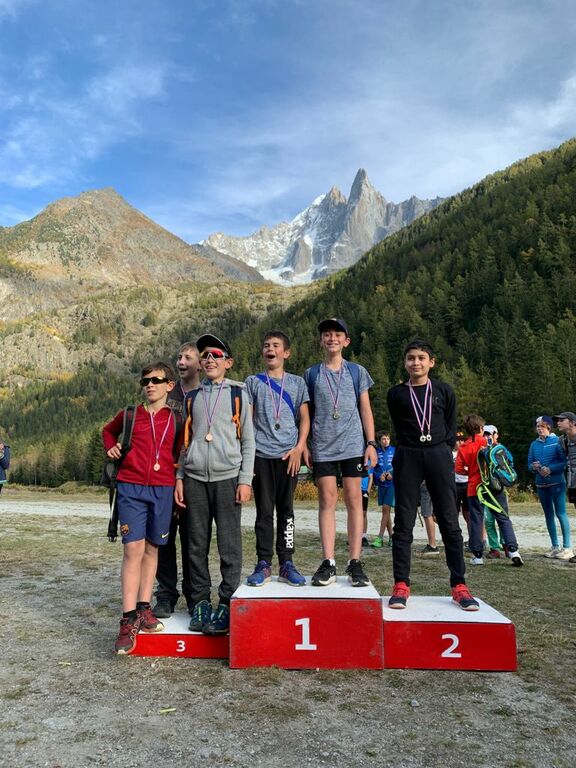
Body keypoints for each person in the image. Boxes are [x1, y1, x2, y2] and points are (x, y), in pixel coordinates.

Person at [386, 339, 478, 611]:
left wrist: (442, 450)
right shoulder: (396, 394)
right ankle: (401, 585)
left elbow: (450, 425)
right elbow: (398, 424)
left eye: (421, 358)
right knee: (403, 521)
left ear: (431, 362)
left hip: (438, 454)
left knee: (449, 519)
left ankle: (459, 585)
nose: (416, 362)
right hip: (408, 455)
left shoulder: (443, 390)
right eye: (411, 358)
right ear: (405, 363)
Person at [175, 334, 255, 635]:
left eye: (216, 355)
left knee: (229, 545)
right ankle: (199, 603)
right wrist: (180, 477)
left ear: (228, 362)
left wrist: (245, 480)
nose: (209, 359)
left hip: (228, 478)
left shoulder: (238, 394)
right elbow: (186, 442)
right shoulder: (192, 397)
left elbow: (248, 441)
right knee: (196, 545)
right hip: (195, 478)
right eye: (205, 355)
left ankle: (226, 602)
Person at [102, 362, 181, 655]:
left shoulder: (177, 418)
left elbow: (180, 452)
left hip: (163, 488)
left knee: (152, 548)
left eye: (156, 380)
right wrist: (110, 447)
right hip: (131, 487)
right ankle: (128, 618)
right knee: (132, 549)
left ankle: (145, 607)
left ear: (169, 385)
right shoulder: (130, 414)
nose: (149, 385)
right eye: (145, 381)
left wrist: (178, 481)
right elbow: (108, 432)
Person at [304, 318, 378, 587]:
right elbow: (306, 413)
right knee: (327, 500)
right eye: (327, 334)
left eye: (337, 334)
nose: (332, 338)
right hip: (323, 446)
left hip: (353, 445)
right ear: (321, 340)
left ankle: (355, 562)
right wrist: (305, 444)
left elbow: (365, 409)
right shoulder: (311, 374)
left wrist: (371, 443)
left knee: (354, 499)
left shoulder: (357, 372)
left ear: (346, 341)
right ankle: (329, 562)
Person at [244, 331, 310, 586]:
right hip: (261, 455)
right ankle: (263, 563)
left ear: (286, 353)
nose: (270, 349)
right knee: (264, 512)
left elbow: (305, 419)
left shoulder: (297, 383)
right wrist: (248, 456)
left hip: (288, 456)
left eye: (275, 345)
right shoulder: (253, 382)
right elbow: (248, 421)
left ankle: (287, 562)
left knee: (287, 511)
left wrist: (299, 448)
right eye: (266, 345)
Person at [153, 342, 202, 618]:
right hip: (166, 477)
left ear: (200, 363)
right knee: (164, 538)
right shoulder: (166, 395)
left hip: (196, 477)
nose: (181, 362)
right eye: (179, 357)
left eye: (188, 358)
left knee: (194, 540)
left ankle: (196, 596)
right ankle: (166, 595)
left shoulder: (208, 394)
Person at [455, 415, 523, 567]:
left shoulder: (464, 447)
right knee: (503, 517)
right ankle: (513, 550)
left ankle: (477, 555)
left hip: (474, 488)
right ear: (481, 428)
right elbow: (505, 458)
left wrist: (470, 473)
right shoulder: (488, 442)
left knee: (476, 520)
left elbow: (458, 469)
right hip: (494, 486)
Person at [528, 416, 571, 559]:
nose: (539, 429)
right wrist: (534, 467)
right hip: (541, 484)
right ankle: (555, 546)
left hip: (557, 482)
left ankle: (567, 548)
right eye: (537, 426)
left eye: (542, 426)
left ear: (549, 427)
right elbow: (529, 463)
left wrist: (550, 469)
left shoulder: (557, 441)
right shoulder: (534, 444)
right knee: (548, 515)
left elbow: (564, 462)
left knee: (561, 513)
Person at [554, 411, 576, 563]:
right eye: (557, 420)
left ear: (572, 422)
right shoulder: (563, 440)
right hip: (573, 481)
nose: (558, 422)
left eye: (562, 420)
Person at [482, 425, 505, 558]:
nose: (487, 437)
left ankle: (506, 544)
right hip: (485, 489)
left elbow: (509, 465)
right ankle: (494, 548)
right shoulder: (482, 450)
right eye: (485, 434)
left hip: (499, 488)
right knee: (489, 521)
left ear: (496, 435)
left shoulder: (501, 449)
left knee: (502, 518)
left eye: (489, 434)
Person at [371, 431, 395, 548]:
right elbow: (373, 469)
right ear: (379, 441)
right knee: (386, 512)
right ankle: (391, 538)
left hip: (392, 485)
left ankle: (380, 537)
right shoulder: (376, 452)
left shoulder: (394, 450)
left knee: (386, 509)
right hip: (381, 484)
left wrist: (392, 474)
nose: (386, 441)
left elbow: (400, 465)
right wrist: (378, 476)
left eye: (388, 439)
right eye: (383, 439)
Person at [419, 482, 440, 556]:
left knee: (427, 514)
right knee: (433, 515)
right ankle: (450, 536)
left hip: (426, 485)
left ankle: (432, 546)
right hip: (434, 484)